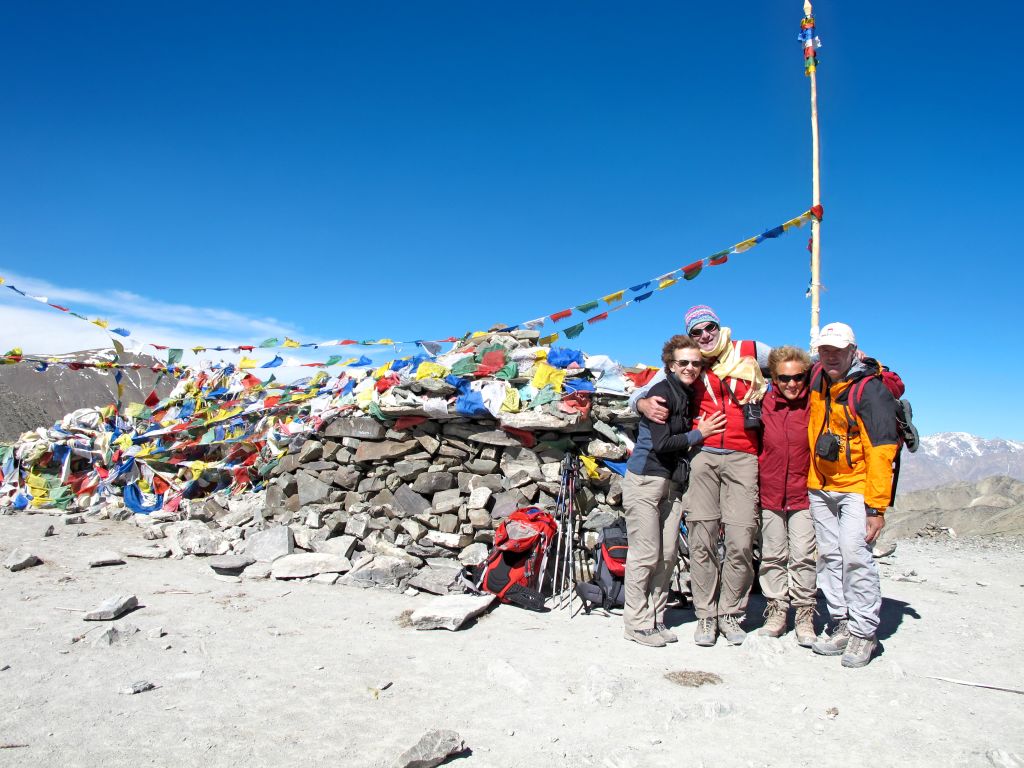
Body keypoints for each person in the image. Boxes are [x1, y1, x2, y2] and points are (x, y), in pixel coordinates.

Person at [630, 305, 770, 647]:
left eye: (710, 328)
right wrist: (640, 404)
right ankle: (706, 615)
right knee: (700, 539)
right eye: (697, 331)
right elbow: (642, 392)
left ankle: (731, 613)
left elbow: (795, 365)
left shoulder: (751, 352)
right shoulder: (689, 364)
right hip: (702, 457)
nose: (705, 336)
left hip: (743, 456)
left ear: (720, 327)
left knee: (739, 540)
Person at [622, 335, 726, 647]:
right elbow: (662, 442)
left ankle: (655, 618)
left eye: (696, 363)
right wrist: (700, 433)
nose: (690, 368)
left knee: (667, 556)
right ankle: (636, 623)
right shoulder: (661, 393)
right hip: (645, 480)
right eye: (684, 362)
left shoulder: (687, 392)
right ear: (671, 364)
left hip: (671, 483)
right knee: (645, 554)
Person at [807, 322, 900, 668]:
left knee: (856, 555)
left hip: (857, 488)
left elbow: (882, 451)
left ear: (852, 351)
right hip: (820, 484)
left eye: (837, 350)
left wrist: (877, 507)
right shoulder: (817, 378)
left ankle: (864, 632)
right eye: (824, 350)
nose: (830, 355)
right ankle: (841, 621)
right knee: (830, 556)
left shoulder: (869, 391)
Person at [756, 345, 816, 646]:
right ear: (774, 379)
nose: (792, 384)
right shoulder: (762, 403)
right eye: (784, 378)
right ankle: (777, 609)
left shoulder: (816, 403)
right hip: (770, 492)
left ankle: (805, 613)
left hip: (804, 493)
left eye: (798, 377)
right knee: (772, 555)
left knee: (804, 556)